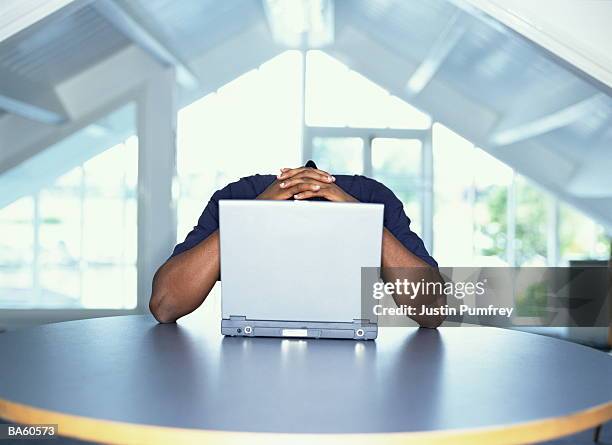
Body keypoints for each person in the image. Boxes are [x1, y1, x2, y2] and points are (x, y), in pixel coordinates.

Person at [149, 162, 446, 327]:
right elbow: (165, 305)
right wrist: (251, 212)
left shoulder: (371, 197)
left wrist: (362, 217)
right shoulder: (238, 195)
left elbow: (433, 309)